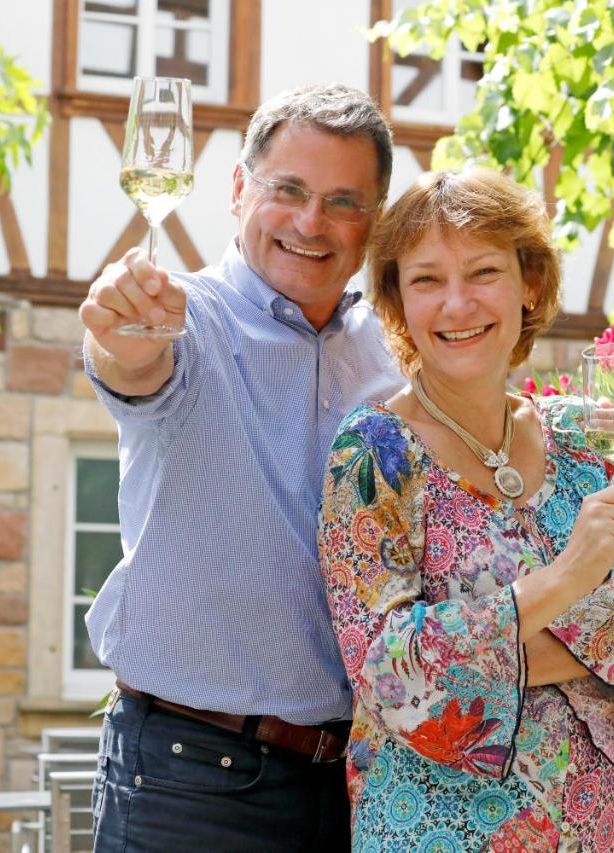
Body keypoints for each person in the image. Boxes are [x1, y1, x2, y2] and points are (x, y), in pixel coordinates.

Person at [77, 84, 405, 852]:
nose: (310, 223)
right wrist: (123, 339)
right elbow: (133, 365)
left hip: (355, 788)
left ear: (375, 220)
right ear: (236, 189)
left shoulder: (389, 359)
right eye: (287, 189)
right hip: (189, 784)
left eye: (343, 202)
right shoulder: (187, 314)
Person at [318, 168, 614, 851]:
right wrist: (566, 582)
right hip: (441, 833)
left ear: (530, 282)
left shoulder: (580, 441)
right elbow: (392, 673)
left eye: (482, 271)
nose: (457, 304)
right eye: (426, 279)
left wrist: (483, 648)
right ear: (398, 301)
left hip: (609, 830)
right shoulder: (372, 455)